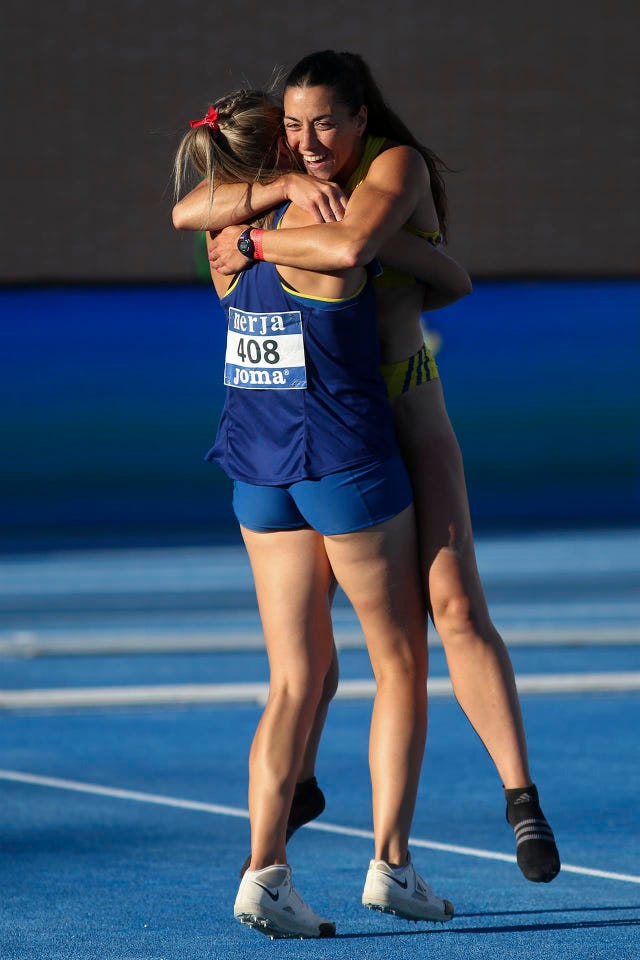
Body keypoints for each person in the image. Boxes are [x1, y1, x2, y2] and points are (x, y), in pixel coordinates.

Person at [174, 50, 560, 887]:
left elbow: (364, 249)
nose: (308, 144)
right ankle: (324, 809)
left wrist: (257, 238)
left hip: (401, 418)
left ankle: (521, 796)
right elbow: (188, 209)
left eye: (323, 125)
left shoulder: (393, 162)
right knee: (323, 656)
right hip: (335, 436)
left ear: (359, 120)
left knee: (451, 608)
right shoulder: (285, 180)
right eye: (291, 128)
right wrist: (268, 209)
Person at [174, 88, 459, 939]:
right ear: (283, 155)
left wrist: (262, 207)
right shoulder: (326, 239)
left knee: (296, 680)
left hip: (257, 475)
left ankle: (264, 872)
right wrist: (369, 228)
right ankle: (393, 866)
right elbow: (429, 273)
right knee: (401, 662)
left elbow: (191, 206)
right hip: (345, 466)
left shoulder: (221, 245)